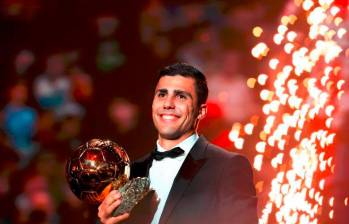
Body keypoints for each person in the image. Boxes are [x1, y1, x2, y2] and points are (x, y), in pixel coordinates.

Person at [98, 63, 257, 224]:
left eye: (181, 96)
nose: (168, 104)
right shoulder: (132, 171)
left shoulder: (227, 166)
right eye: (162, 95)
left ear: (201, 111)